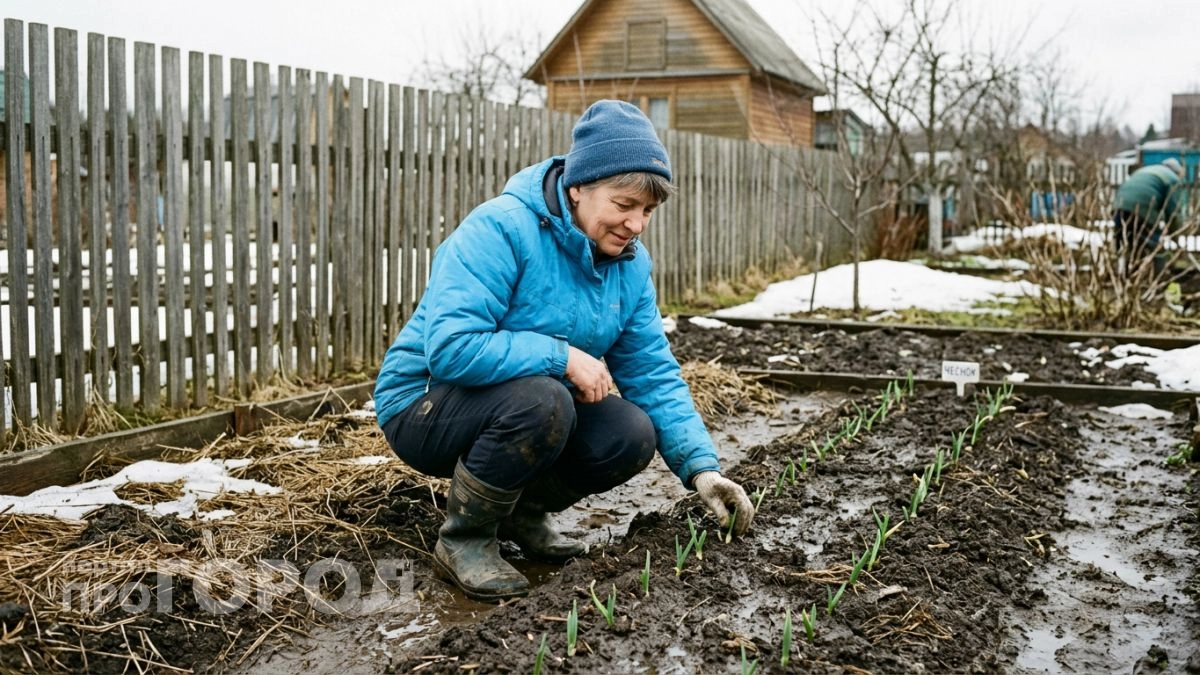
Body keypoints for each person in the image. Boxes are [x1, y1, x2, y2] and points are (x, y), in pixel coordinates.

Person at [373, 100, 756, 602]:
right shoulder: (501, 229)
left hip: (527, 402)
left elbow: (652, 373)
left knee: (629, 432)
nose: (637, 224)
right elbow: (450, 349)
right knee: (543, 399)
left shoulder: (630, 266)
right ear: (578, 187)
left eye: (647, 211)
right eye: (624, 205)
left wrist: (702, 469)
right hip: (425, 405)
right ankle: (465, 539)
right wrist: (562, 356)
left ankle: (521, 515)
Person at [1113, 157, 1186, 275]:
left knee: (1131, 245)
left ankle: (1127, 278)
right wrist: (1176, 236)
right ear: (1177, 172)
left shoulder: (1146, 171)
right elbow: (1173, 211)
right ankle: (1158, 282)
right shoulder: (1172, 179)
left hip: (1119, 206)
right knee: (1156, 248)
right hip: (1142, 208)